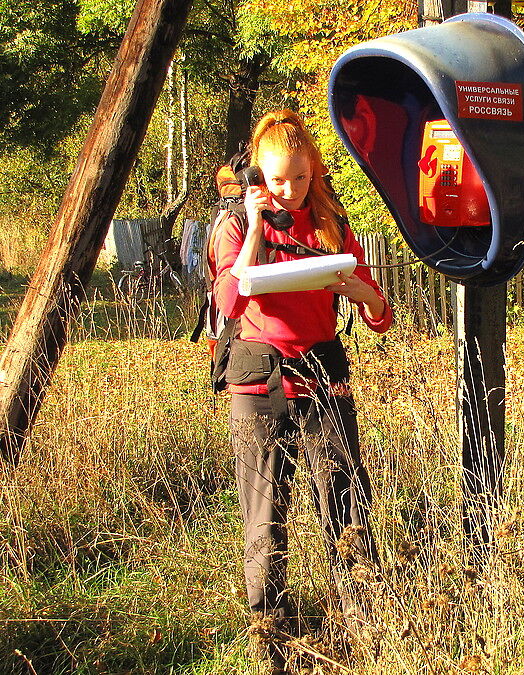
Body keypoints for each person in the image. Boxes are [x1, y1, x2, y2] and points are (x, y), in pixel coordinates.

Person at [210, 109, 392, 671]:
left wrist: (364, 290)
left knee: (345, 501)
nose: (289, 190)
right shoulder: (235, 226)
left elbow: (380, 315)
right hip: (257, 379)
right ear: (258, 175)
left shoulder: (331, 225)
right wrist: (255, 227)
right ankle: (273, 641)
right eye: (277, 179)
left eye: (299, 178)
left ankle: (364, 626)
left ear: (314, 170)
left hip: (324, 377)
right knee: (264, 515)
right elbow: (228, 304)